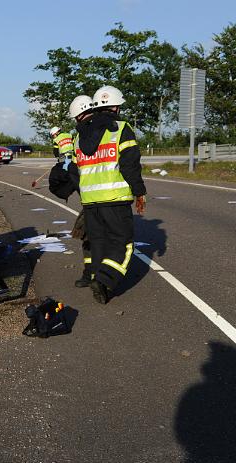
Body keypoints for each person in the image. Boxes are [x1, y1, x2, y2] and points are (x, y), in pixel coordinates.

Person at [75, 85, 146, 303]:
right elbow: (130, 164)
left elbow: (78, 169)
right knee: (123, 244)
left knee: (99, 243)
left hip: (90, 201)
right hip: (115, 198)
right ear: (115, 107)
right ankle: (104, 280)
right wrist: (139, 192)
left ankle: (100, 285)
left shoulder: (79, 135)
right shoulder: (121, 128)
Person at [66, 95, 95, 287]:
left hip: (95, 197)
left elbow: (75, 170)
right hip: (103, 196)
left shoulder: (80, 136)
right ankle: (93, 273)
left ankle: (92, 274)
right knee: (92, 236)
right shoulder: (112, 129)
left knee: (87, 236)